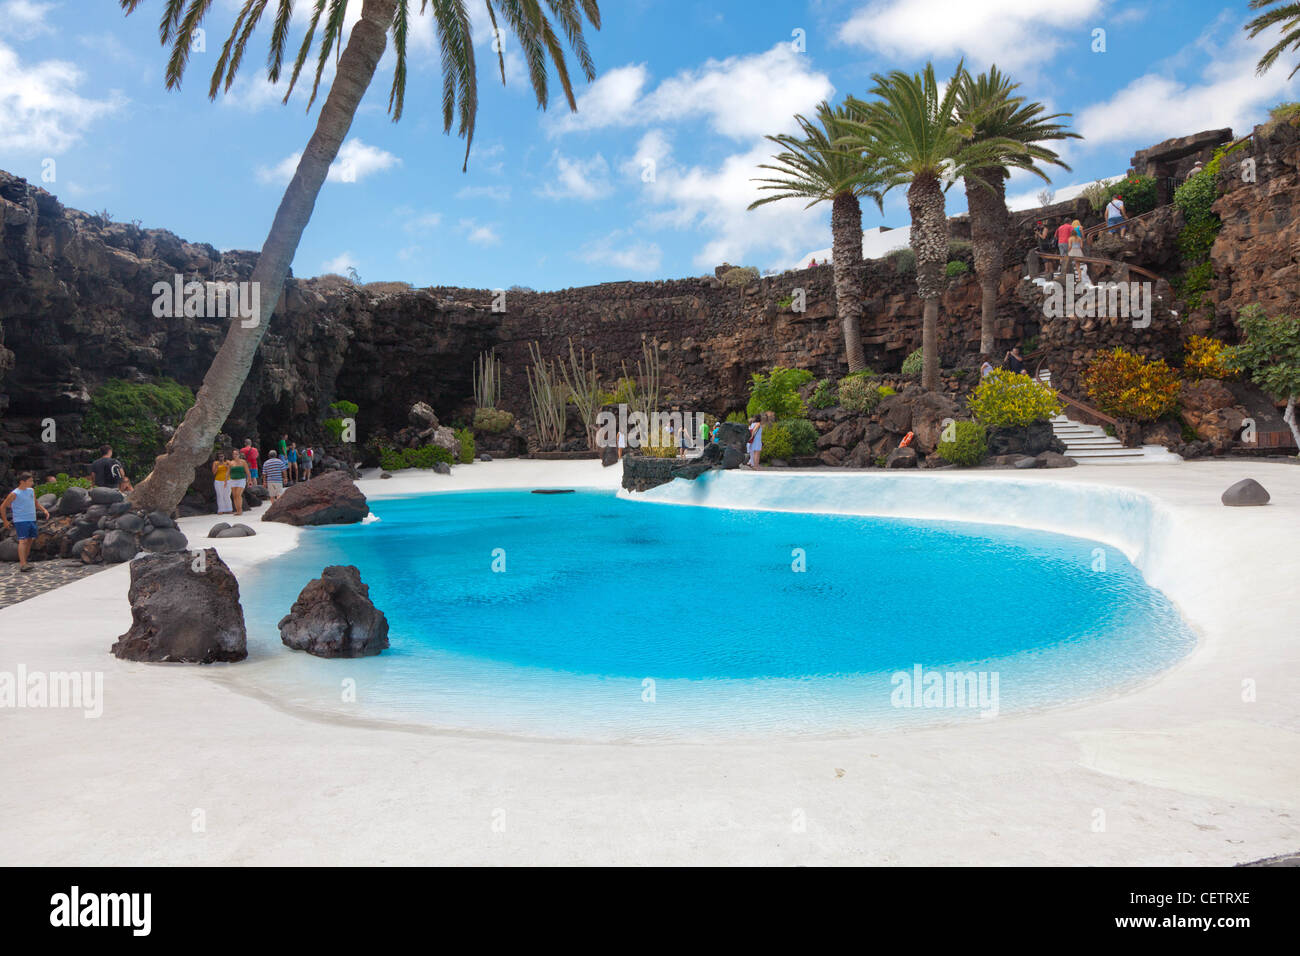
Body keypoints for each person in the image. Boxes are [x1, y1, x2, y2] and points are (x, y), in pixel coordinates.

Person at [2, 472, 51, 572]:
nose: (32, 482)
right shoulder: (14, 493)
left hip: (31, 518)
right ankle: (23, 563)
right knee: (23, 540)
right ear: (22, 482)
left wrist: (44, 510)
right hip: (21, 519)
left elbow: (35, 503)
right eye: (30, 481)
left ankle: (26, 560)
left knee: (30, 539)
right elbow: (2, 506)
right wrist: (5, 521)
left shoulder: (31, 491)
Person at [227, 450, 248, 516]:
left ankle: (240, 509)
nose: (235, 455)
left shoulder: (243, 462)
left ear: (239, 455)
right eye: (234, 454)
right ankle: (237, 510)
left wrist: (249, 480)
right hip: (233, 480)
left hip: (241, 480)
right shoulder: (231, 463)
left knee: (238, 494)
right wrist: (225, 481)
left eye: (236, 454)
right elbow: (228, 472)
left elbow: (247, 471)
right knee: (234, 496)